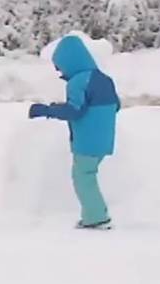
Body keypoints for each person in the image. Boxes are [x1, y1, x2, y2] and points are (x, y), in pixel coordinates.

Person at [28, 35, 120, 229]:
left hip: (87, 140)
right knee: (87, 174)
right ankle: (94, 215)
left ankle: (97, 217)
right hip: (105, 139)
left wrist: (46, 110)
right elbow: (117, 105)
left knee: (83, 177)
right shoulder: (104, 79)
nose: (59, 72)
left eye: (59, 66)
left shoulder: (78, 82)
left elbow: (74, 110)